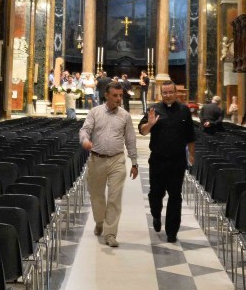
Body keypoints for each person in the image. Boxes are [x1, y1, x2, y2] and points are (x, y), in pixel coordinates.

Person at [80, 82, 138, 247]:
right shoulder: (95, 112)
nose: (119, 99)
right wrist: (84, 140)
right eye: (115, 95)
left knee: (114, 198)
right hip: (97, 159)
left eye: (120, 96)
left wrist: (134, 162)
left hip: (117, 160)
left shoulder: (125, 116)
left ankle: (110, 234)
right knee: (96, 195)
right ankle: (99, 221)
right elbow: (85, 129)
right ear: (106, 95)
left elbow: (130, 140)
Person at [139, 79, 195, 243]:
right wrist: (149, 124)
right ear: (161, 94)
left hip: (177, 161)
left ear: (176, 93)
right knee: (155, 193)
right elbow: (142, 131)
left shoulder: (184, 110)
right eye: (165, 93)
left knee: (175, 196)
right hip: (158, 160)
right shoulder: (154, 109)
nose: (168, 95)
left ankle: (172, 232)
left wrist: (191, 155)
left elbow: (190, 136)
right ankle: (156, 215)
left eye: (171, 92)